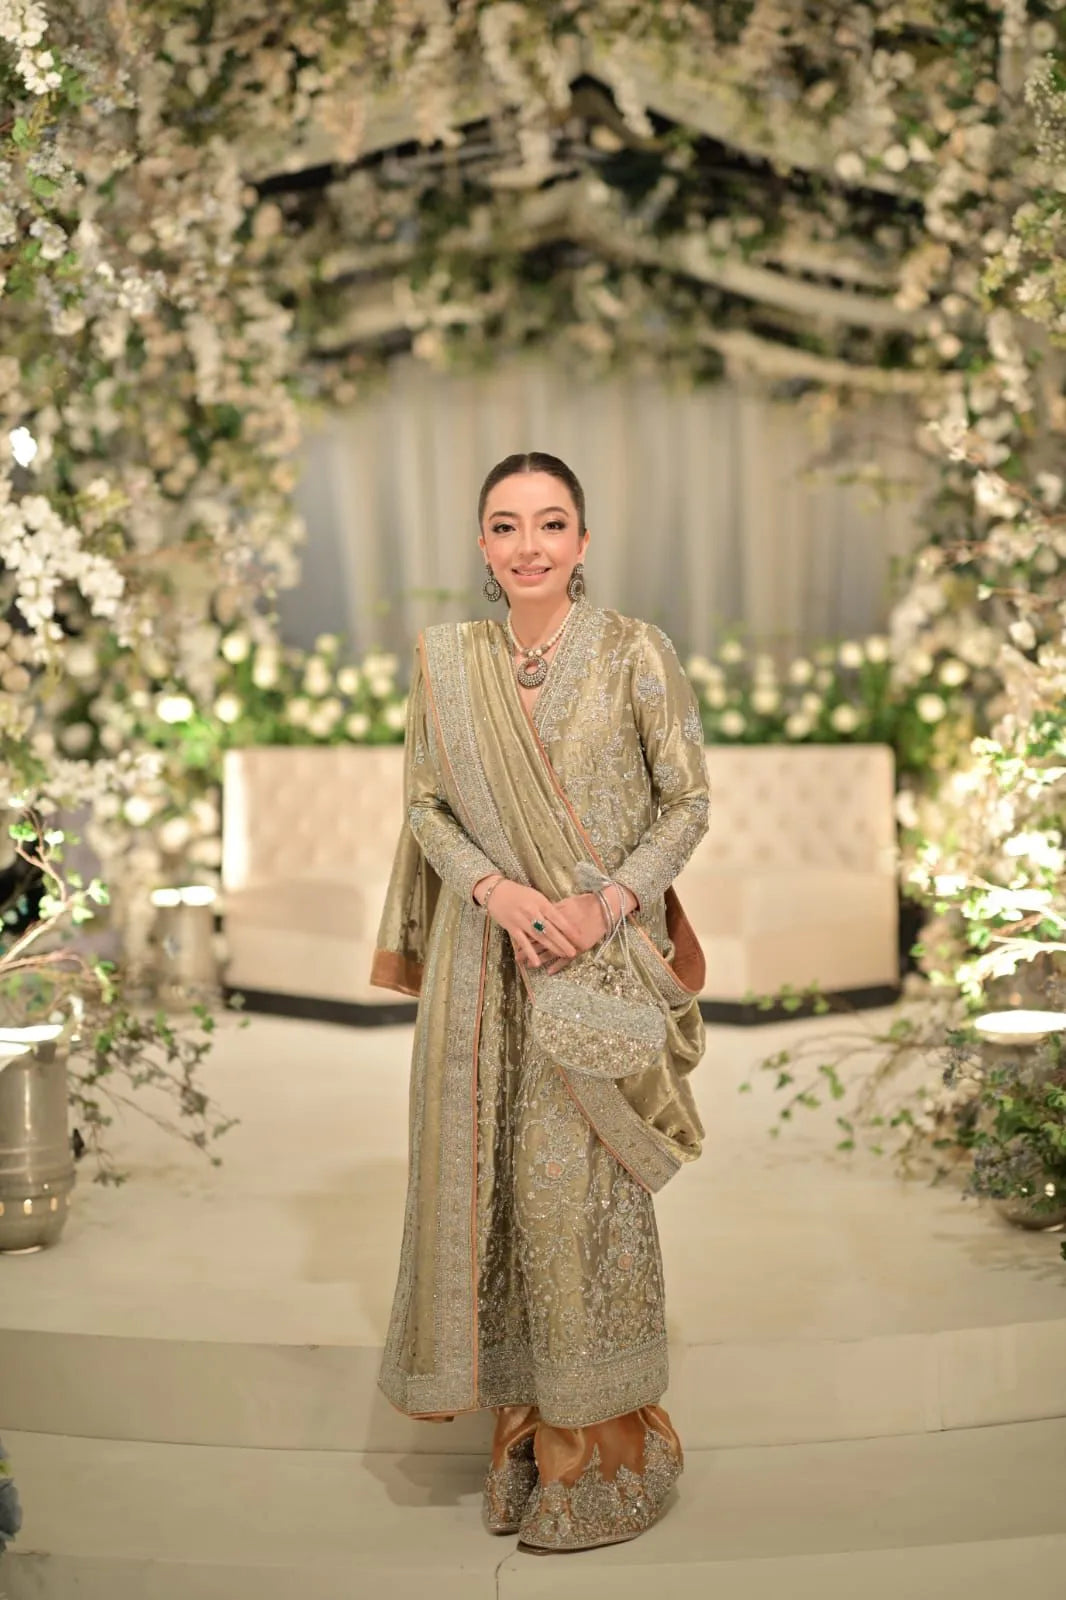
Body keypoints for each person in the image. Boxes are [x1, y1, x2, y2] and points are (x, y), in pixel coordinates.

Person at [371, 450, 711, 1552]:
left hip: (592, 964)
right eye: (507, 526)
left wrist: (605, 903)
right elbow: (425, 807)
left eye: (551, 523)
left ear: (583, 540)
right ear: (481, 546)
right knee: (501, 1202)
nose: (529, 545)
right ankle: (520, 1438)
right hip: (487, 970)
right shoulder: (447, 663)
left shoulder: (631, 653)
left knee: (578, 1201)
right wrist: (503, 892)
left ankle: (601, 1454)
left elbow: (687, 800)